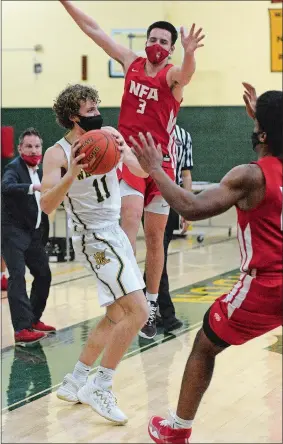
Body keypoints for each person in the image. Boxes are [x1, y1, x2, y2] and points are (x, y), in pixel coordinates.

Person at [129, 84, 283, 443]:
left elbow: (191, 207)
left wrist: (155, 168)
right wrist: (265, 123)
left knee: (204, 344)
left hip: (267, 284)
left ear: (262, 133)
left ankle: (178, 431)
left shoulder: (249, 175)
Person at [59, 0, 205, 339]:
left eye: (163, 42)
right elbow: (94, 30)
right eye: (152, 38)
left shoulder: (172, 77)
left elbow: (187, 72)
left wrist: (189, 52)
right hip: (127, 157)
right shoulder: (131, 62)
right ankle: (126, 295)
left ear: (170, 49)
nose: (156, 45)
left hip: (160, 164)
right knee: (127, 224)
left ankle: (151, 306)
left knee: (156, 239)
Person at [40, 84, 149, 425]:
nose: (97, 114)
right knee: (139, 311)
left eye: (96, 108)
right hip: (93, 240)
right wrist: (72, 173)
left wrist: (126, 150)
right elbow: (46, 205)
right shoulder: (57, 154)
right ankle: (100, 385)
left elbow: (142, 173)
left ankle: (75, 379)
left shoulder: (109, 134)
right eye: (89, 111)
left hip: (113, 232)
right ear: (73, 116)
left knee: (118, 314)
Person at [1, 128, 53, 346]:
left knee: (43, 275)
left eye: (37, 146)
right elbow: (6, 186)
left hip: (33, 233)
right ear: (20, 148)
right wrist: (33, 187)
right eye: (29, 146)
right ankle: (21, 329)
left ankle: (33, 318)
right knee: (17, 277)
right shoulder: (13, 168)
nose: (33, 150)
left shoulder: (42, 170)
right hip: (12, 232)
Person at [143, 124, 193, 335]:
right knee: (157, 252)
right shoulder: (148, 132)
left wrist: (187, 206)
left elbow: (186, 174)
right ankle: (164, 314)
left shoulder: (184, 135)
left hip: (171, 199)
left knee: (158, 255)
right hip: (151, 198)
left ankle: (148, 310)